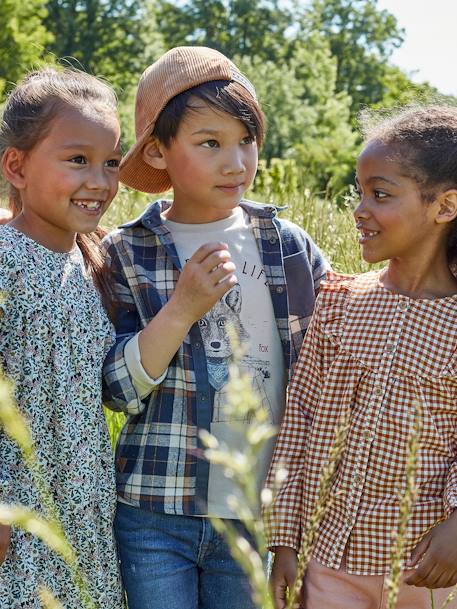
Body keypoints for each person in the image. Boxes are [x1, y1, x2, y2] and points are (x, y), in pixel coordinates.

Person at [102, 46, 328, 609]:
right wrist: (181, 307)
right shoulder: (127, 251)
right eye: (210, 144)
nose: (236, 163)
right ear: (158, 150)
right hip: (156, 510)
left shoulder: (286, 245)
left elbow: (335, 350)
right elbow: (117, 390)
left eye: (245, 141)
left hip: (259, 512)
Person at [265, 105, 457, 609]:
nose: (360, 208)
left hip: (427, 567)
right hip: (327, 559)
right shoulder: (340, 300)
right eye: (360, 191)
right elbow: (300, 419)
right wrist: (285, 539)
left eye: (381, 194)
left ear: (444, 207)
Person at [0, 68, 125, 609]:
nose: (99, 180)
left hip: (85, 512)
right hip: (18, 512)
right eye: (78, 160)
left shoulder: (92, 258)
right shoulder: (4, 259)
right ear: (17, 166)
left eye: (111, 161)